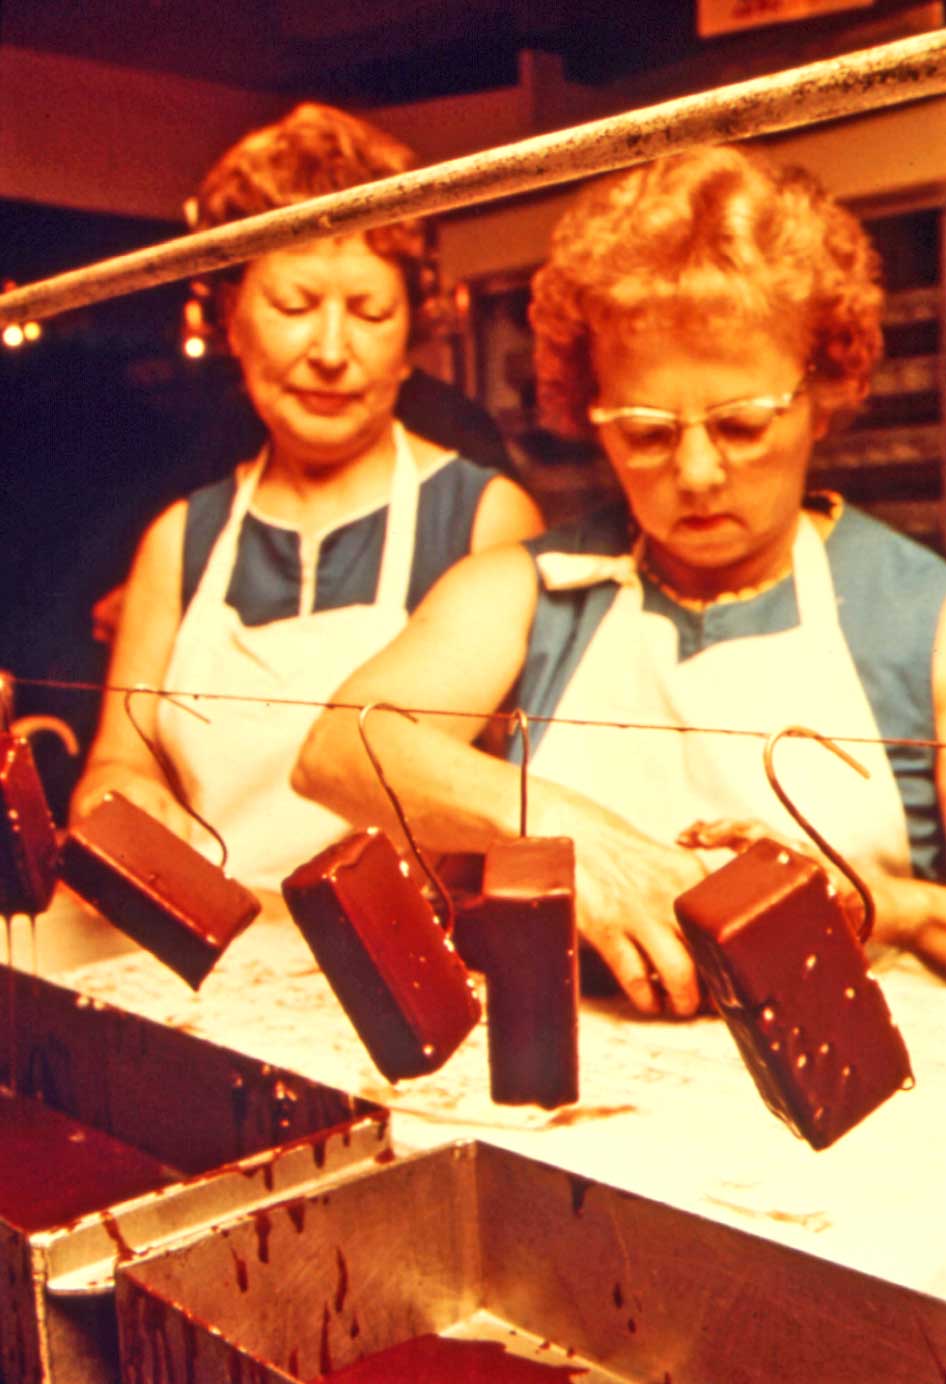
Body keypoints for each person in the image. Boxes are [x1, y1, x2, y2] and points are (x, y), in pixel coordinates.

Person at [291, 143, 946, 1016]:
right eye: (646, 433)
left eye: (743, 426)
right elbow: (338, 751)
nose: (698, 473)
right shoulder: (528, 590)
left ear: (824, 394)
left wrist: (883, 903)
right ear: (588, 412)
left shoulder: (923, 614)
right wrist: (576, 835)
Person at [71, 102, 543, 894]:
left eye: (369, 311)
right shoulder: (180, 540)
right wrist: (124, 801)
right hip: (208, 944)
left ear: (412, 332)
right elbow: (117, 765)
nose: (330, 350)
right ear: (232, 319)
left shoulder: (485, 518)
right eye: (294, 306)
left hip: (409, 952)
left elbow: (522, 802)